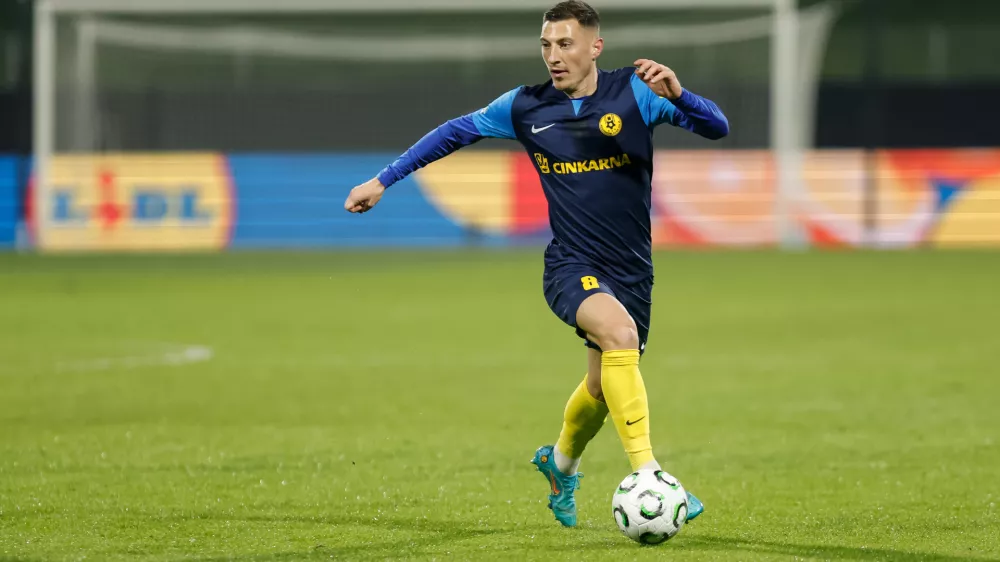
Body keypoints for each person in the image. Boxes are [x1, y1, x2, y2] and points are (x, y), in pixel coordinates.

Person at [344, 0, 729, 527]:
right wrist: (382, 180)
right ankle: (649, 474)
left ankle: (560, 463)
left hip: (634, 269)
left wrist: (681, 95)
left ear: (595, 47)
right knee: (618, 337)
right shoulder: (524, 107)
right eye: (546, 45)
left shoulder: (638, 92)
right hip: (571, 263)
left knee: (601, 385)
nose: (553, 55)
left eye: (565, 44)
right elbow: (454, 132)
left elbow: (717, 127)